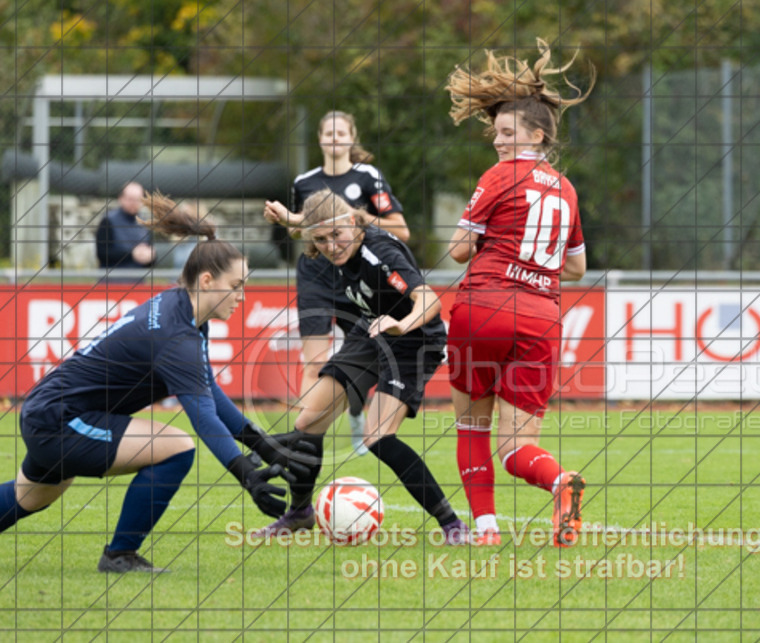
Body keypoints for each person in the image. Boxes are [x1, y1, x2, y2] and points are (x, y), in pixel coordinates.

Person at [0, 192, 312, 573]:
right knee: (177, 447)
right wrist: (246, 474)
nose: (242, 296)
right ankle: (119, 555)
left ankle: (120, 554)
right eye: (236, 285)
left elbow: (208, 390)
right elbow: (202, 416)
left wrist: (263, 447)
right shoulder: (175, 335)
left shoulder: (183, 310)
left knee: (31, 497)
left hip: (52, 411)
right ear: (209, 280)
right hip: (60, 420)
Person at [251, 189, 469, 544]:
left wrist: (404, 323)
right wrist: (290, 219)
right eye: (320, 240)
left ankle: (453, 525)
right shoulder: (329, 237)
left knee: (377, 437)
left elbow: (429, 300)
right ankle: (301, 513)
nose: (331, 246)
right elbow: (312, 226)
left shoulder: (379, 252)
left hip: (414, 338)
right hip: (370, 330)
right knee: (308, 422)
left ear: (353, 222)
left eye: (337, 235)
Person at [444, 38, 595, 547]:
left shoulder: (498, 175)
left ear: (537, 134)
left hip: (483, 309)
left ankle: (485, 530)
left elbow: (459, 250)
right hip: (539, 319)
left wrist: (494, 243)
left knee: (471, 428)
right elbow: (575, 266)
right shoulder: (567, 189)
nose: (498, 141)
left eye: (507, 132)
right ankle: (560, 482)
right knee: (515, 447)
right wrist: (535, 263)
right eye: (496, 133)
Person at [264, 110, 410, 457]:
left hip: (358, 277)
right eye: (328, 132)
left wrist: (352, 218)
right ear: (319, 139)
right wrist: (292, 221)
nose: (334, 138)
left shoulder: (368, 177)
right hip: (315, 275)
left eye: (341, 132)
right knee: (314, 363)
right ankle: (303, 442)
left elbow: (400, 229)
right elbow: (300, 231)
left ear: (351, 137)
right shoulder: (304, 182)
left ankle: (357, 413)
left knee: (359, 359)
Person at [95, 181, 156, 271]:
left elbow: (151, 257)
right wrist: (132, 255)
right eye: (130, 199)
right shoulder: (108, 221)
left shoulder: (145, 224)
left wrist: (151, 257)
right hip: (112, 281)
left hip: (138, 281)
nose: (134, 203)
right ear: (121, 198)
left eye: (138, 199)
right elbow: (102, 254)